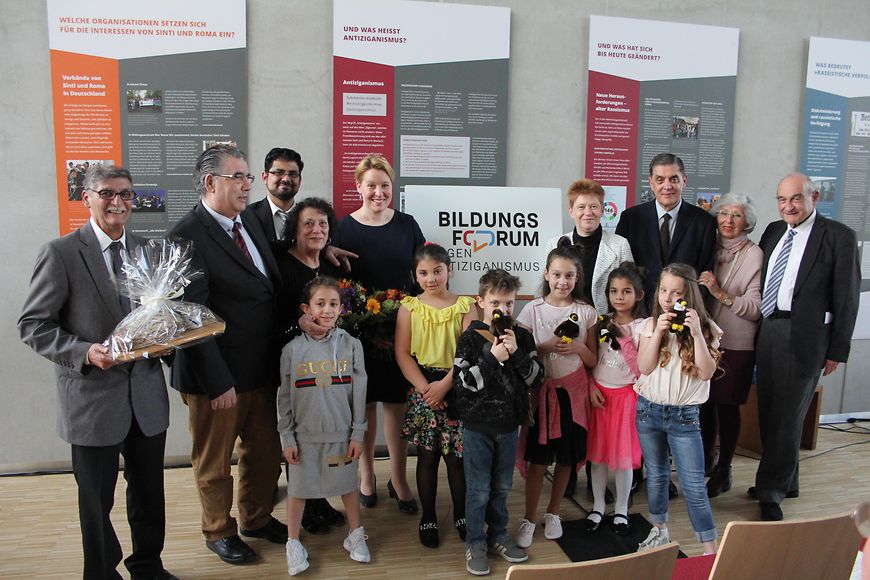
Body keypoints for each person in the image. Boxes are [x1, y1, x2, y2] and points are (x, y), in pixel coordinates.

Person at [19, 164, 177, 580]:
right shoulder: (61, 253)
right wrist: (86, 352)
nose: (118, 202)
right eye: (107, 193)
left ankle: (148, 567)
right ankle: (101, 573)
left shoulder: (149, 250)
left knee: (149, 496)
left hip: (145, 398)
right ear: (86, 197)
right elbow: (33, 326)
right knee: (95, 502)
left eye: (125, 194)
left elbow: (158, 320)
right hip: (91, 401)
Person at [169, 145, 287, 565]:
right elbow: (190, 320)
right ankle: (218, 530)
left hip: (259, 369)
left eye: (247, 177)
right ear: (210, 182)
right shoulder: (186, 235)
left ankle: (256, 518)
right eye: (237, 177)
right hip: (216, 377)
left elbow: (266, 283)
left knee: (264, 452)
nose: (246, 185)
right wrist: (218, 381)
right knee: (215, 461)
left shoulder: (248, 221)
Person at [751, 173, 860, 521]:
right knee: (769, 411)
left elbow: (847, 300)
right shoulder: (772, 231)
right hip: (769, 330)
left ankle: (771, 491)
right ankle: (787, 480)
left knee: (787, 416)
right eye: (782, 200)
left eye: (796, 198)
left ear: (814, 196)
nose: (788, 206)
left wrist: (837, 351)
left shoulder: (839, 237)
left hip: (806, 337)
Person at [335, 155, 424, 515]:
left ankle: (399, 478)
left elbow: (421, 274)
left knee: (397, 406)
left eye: (385, 185)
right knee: (365, 405)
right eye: (371, 185)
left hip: (401, 327)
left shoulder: (407, 224)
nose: (378, 192)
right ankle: (368, 474)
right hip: (359, 331)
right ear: (358, 187)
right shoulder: (344, 227)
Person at [454, 269, 543, 576]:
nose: (503, 310)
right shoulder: (470, 338)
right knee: (478, 489)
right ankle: (476, 540)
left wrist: (517, 355)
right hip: (478, 425)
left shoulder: (523, 336)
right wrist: (491, 358)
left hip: (509, 425)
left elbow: (537, 378)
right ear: (480, 301)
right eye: (496, 303)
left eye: (509, 304)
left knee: (502, 486)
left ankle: (499, 535)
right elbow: (463, 383)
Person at [278, 277, 371, 575]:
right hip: (304, 438)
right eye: (320, 303)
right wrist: (287, 437)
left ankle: (355, 535)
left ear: (341, 309)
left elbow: (359, 393)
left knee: (347, 486)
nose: (327, 310)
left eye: (333, 304)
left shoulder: (352, 346)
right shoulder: (291, 350)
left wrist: (358, 433)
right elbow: (284, 397)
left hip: (342, 436)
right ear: (307, 308)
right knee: (298, 489)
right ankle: (293, 542)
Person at [634, 263, 722, 554]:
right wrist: (658, 333)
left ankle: (710, 550)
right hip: (649, 412)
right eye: (663, 291)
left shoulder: (706, 328)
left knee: (694, 484)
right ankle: (659, 530)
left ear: (689, 296)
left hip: (684, 417)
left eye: (676, 293)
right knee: (657, 475)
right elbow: (644, 367)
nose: (668, 298)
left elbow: (707, 372)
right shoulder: (649, 325)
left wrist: (697, 334)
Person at [515, 243, 598, 548]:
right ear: (547, 274)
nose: (563, 281)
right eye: (557, 274)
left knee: (566, 458)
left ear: (578, 278)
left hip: (571, 396)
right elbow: (519, 353)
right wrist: (544, 346)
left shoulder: (586, 312)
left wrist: (578, 348)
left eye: (570, 276)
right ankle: (529, 516)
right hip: (540, 395)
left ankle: (553, 513)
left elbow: (592, 361)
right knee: (538, 461)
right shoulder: (531, 310)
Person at [272, 197, 347, 535]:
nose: (317, 230)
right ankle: (305, 504)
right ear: (294, 230)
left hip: (326, 366)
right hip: (293, 363)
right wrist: (297, 325)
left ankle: (317, 500)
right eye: (308, 224)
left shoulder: (328, 267)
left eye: (323, 224)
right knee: (301, 437)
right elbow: (271, 318)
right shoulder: (281, 265)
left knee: (319, 433)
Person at [395, 242, 475, 547]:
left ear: (450, 271)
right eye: (424, 273)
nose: (431, 278)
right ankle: (428, 516)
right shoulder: (409, 307)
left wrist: (445, 385)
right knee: (427, 458)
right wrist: (426, 389)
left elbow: (470, 354)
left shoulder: (467, 306)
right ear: (416, 275)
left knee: (457, 459)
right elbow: (403, 354)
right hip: (422, 389)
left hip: (457, 386)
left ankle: (461, 515)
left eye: (438, 271)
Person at [696, 194, 762, 498]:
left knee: (727, 404)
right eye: (723, 213)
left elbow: (755, 307)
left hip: (737, 342)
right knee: (705, 402)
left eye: (736, 215)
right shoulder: (709, 246)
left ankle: (725, 469)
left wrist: (718, 292)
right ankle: (706, 461)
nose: (728, 220)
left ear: (746, 222)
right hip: (706, 339)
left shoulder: (754, 255)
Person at [585, 263, 647, 536]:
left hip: (626, 399)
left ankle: (621, 507)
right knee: (597, 457)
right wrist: (590, 386)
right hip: (600, 396)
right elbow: (591, 360)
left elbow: (642, 368)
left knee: (623, 458)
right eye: (613, 291)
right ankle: (598, 504)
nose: (619, 297)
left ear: (639, 295)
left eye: (626, 291)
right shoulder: (601, 323)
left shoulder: (644, 327)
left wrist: (624, 340)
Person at [615, 153, 717, 306]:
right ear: (651, 183)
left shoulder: (704, 222)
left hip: (683, 312)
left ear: (684, 180)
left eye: (674, 179)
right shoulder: (630, 219)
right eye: (660, 180)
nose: (667, 186)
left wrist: (684, 309)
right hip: (638, 310)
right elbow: (621, 271)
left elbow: (704, 276)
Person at [544, 178, 634, 314]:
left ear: (603, 210)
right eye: (581, 207)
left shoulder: (620, 245)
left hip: (606, 323)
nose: (588, 213)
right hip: (563, 321)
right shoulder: (554, 244)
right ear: (571, 211)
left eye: (593, 207)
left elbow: (630, 288)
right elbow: (545, 289)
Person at [246, 147, 305, 243]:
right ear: (265, 177)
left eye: (293, 174)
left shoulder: (310, 217)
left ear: (299, 180)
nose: (286, 179)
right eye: (278, 172)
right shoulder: (247, 217)